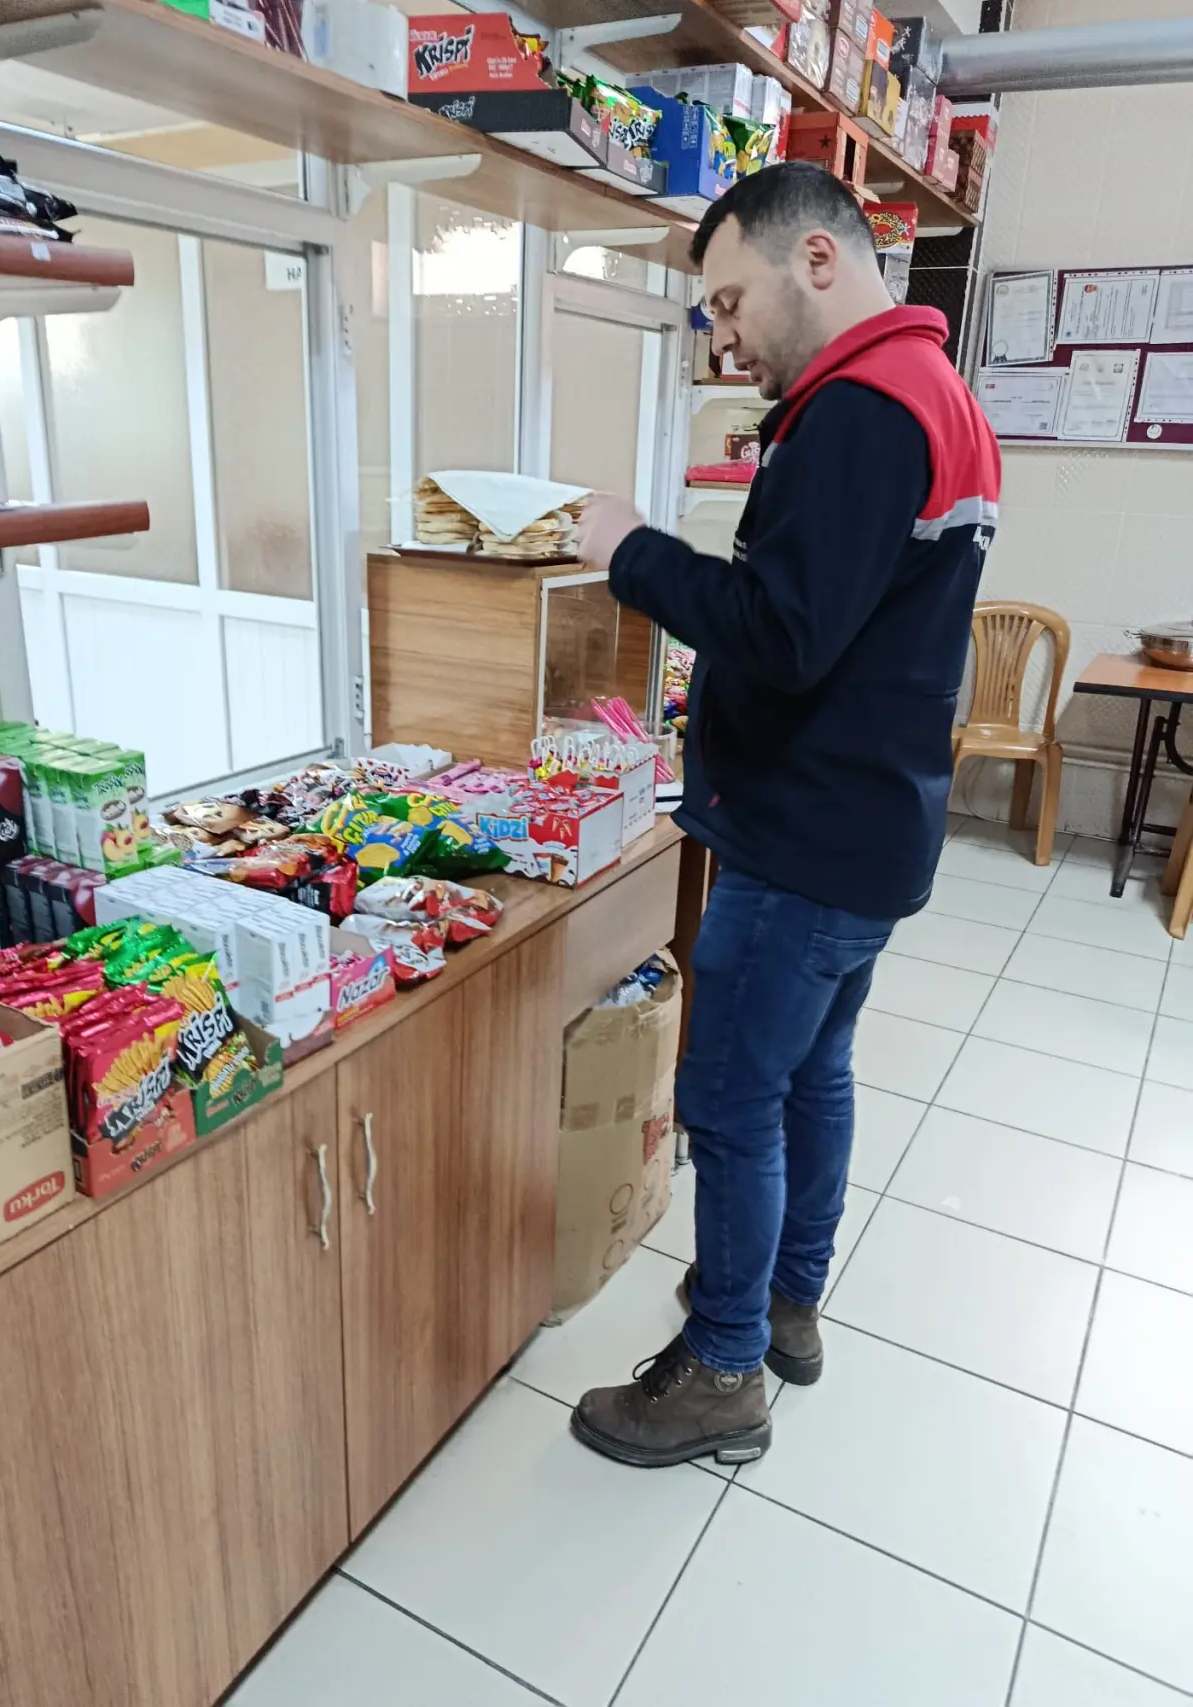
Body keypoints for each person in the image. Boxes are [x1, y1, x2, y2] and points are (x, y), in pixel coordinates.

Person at [570, 162, 1001, 1470]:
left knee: (729, 1098)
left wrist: (632, 550)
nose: (724, 335)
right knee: (813, 1073)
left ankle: (721, 1371)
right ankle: (786, 1302)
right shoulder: (931, 390)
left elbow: (786, 632)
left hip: (806, 845)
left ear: (816, 259)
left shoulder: (865, 409)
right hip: (871, 828)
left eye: (728, 300)